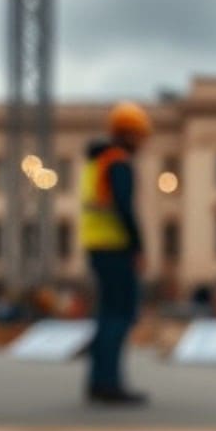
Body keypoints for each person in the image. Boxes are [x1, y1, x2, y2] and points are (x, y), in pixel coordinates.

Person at [81, 101, 152, 405]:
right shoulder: (118, 163)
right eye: (140, 136)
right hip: (116, 247)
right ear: (129, 134)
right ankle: (109, 382)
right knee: (120, 315)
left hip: (97, 246)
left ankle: (99, 380)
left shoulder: (96, 162)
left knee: (106, 314)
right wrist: (138, 247)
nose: (142, 143)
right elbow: (125, 208)